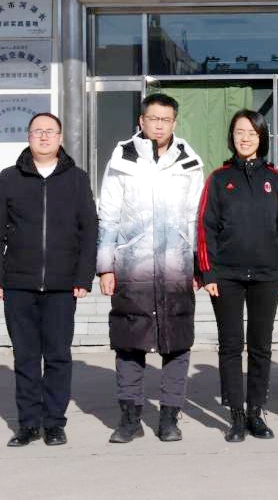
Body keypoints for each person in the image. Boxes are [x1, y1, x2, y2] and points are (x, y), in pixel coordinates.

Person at [96, 93, 205, 444]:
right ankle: (130, 419)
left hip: (176, 267)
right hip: (133, 267)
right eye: (153, 119)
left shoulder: (189, 161)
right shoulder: (122, 158)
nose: (159, 125)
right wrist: (105, 267)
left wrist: (198, 265)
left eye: (166, 120)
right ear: (141, 121)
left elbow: (196, 218)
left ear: (174, 122)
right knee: (129, 342)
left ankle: (170, 418)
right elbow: (108, 216)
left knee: (177, 342)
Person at [0, 112, 97, 448]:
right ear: (28, 137)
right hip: (19, 282)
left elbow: (89, 231)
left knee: (59, 356)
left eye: (50, 131)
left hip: (62, 284)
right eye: (37, 131)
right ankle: (29, 424)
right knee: (26, 356)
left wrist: (84, 276)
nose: (44, 137)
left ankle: (55, 424)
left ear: (60, 138)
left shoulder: (76, 179)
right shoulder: (10, 178)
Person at [196, 109, 278, 442]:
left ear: (261, 137)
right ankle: (236, 414)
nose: (246, 138)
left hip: (266, 275)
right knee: (231, 345)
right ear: (232, 137)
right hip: (227, 276)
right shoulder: (219, 179)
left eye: (252, 132)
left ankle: (256, 412)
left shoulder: (275, 179)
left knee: (261, 346)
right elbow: (205, 227)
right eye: (240, 132)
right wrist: (207, 272)